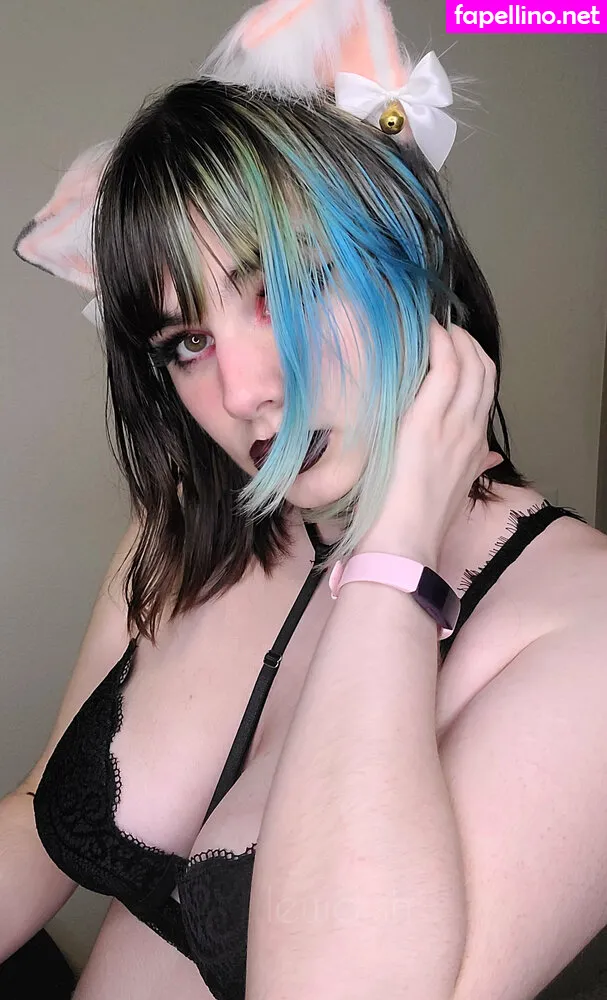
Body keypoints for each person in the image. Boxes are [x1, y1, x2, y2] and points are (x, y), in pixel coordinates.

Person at [4, 1, 607, 998]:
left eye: (286, 288)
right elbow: (36, 825)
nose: (244, 392)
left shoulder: (586, 625)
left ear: (410, 257)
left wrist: (396, 551)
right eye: (187, 342)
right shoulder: (184, 532)